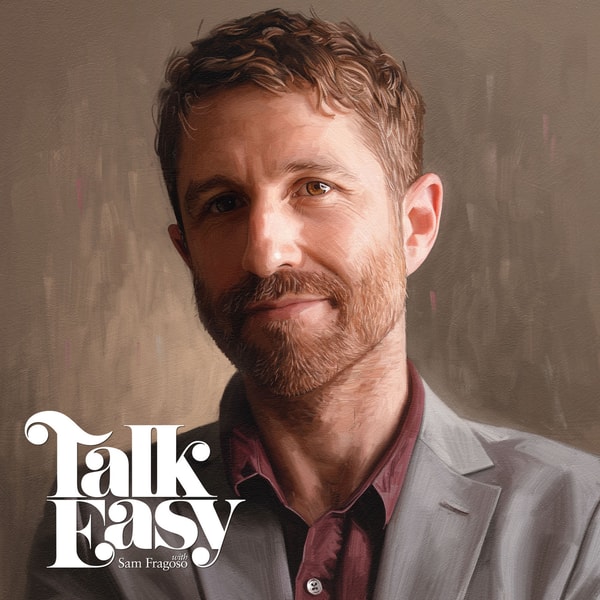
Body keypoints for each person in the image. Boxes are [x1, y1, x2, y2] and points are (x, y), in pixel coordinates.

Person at [27, 8, 600, 600]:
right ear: (186, 251)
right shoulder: (103, 522)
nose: (264, 253)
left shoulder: (583, 523)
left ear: (415, 225)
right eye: (224, 203)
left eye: (315, 188)